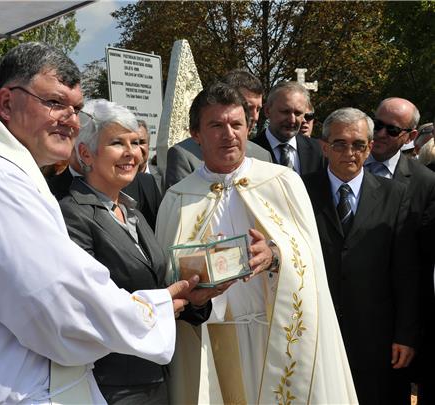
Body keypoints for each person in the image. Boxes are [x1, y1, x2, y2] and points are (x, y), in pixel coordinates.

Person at [0, 42, 197, 404]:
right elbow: (60, 308)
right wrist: (153, 310)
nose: (71, 119)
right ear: (6, 103)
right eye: (55, 102)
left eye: (76, 108)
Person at [156, 82, 357, 404]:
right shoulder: (177, 197)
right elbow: (166, 276)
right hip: (208, 339)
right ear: (196, 133)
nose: (229, 134)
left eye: (236, 124)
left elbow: (312, 258)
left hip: (275, 334)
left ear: (249, 128)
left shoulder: (282, 181)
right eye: (216, 125)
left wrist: (275, 254)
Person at [60, 99, 214, 404]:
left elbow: (154, 285)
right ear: (86, 153)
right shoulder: (71, 213)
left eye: (135, 142)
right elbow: (89, 302)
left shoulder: (132, 212)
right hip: (111, 381)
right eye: (117, 143)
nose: (132, 153)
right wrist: (164, 303)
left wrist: (194, 298)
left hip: (154, 374)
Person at [302, 107, 419, 404]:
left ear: (369, 148)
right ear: (324, 146)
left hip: (376, 339)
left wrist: (405, 335)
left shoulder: (396, 195)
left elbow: (406, 272)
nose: (349, 152)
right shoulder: (301, 191)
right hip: (316, 334)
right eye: (340, 143)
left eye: (359, 144)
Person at [365, 97, 435, 404]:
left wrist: (407, 332)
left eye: (391, 130)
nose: (379, 133)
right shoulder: (340, 168)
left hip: (395, 322)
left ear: (409, 135)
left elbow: (418, 266)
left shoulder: (425, 183)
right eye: (376, 124)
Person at [164, 69, 271, 190]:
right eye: (248, 107)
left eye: (258, 109)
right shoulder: (184, 155)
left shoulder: (263, 155)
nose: (255, 116)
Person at [254, 81, 324, 175]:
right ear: (267, 111)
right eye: (285, 112)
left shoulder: (317, 151)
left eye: (298, 113)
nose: (292, 120)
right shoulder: (250, 152)